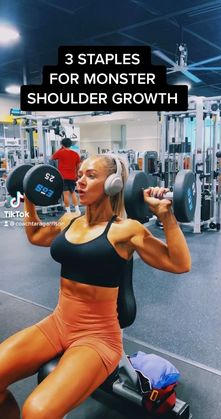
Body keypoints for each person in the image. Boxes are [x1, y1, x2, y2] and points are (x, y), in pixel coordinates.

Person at [0, 154, 191, 419]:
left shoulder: (126, 230)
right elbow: (35, 235)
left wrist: (166, 216)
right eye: (80, 175)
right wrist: (29, 196)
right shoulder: (69, 220)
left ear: (113, 184)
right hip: (58, 323)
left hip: (97, 337)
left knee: (37, 412)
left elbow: (179, 263)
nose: (79, 181)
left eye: (90, 176)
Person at [51, 137, 81, 214]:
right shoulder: (75, 154)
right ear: (70, 145)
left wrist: (61, 149)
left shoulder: (61, 152)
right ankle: (77, 210)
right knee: (73, 193)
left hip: (63, 177)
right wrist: (76, 175)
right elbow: (78, 166)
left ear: (62, 145)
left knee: (65, 194)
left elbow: (52, 157)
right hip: (72, 177)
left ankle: (68, 211)